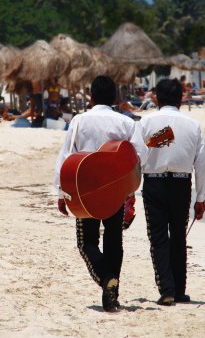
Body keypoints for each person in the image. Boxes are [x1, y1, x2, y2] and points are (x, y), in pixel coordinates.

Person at [54, 76, 149, 312]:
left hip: (84, 189)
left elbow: (66, 156)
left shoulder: (79, 120)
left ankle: (107, 279)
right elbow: (142, 156)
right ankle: (112, 292)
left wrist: (61, 191)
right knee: (114, 238)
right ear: (116, 98)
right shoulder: (126, 123)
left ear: (92, 97)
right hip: (116, 189)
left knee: (86, 242)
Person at [136, 78, 205, 306]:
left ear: (156, 97)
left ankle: (167, 288)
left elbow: (137, 159)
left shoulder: (145, 123)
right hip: (181, 183)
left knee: (158, 237)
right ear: (181, 98)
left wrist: (129, 192)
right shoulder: (193, 124)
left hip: (154, 183)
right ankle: (180, 290)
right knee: (178, 235)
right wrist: (201, 198)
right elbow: (202, 163)